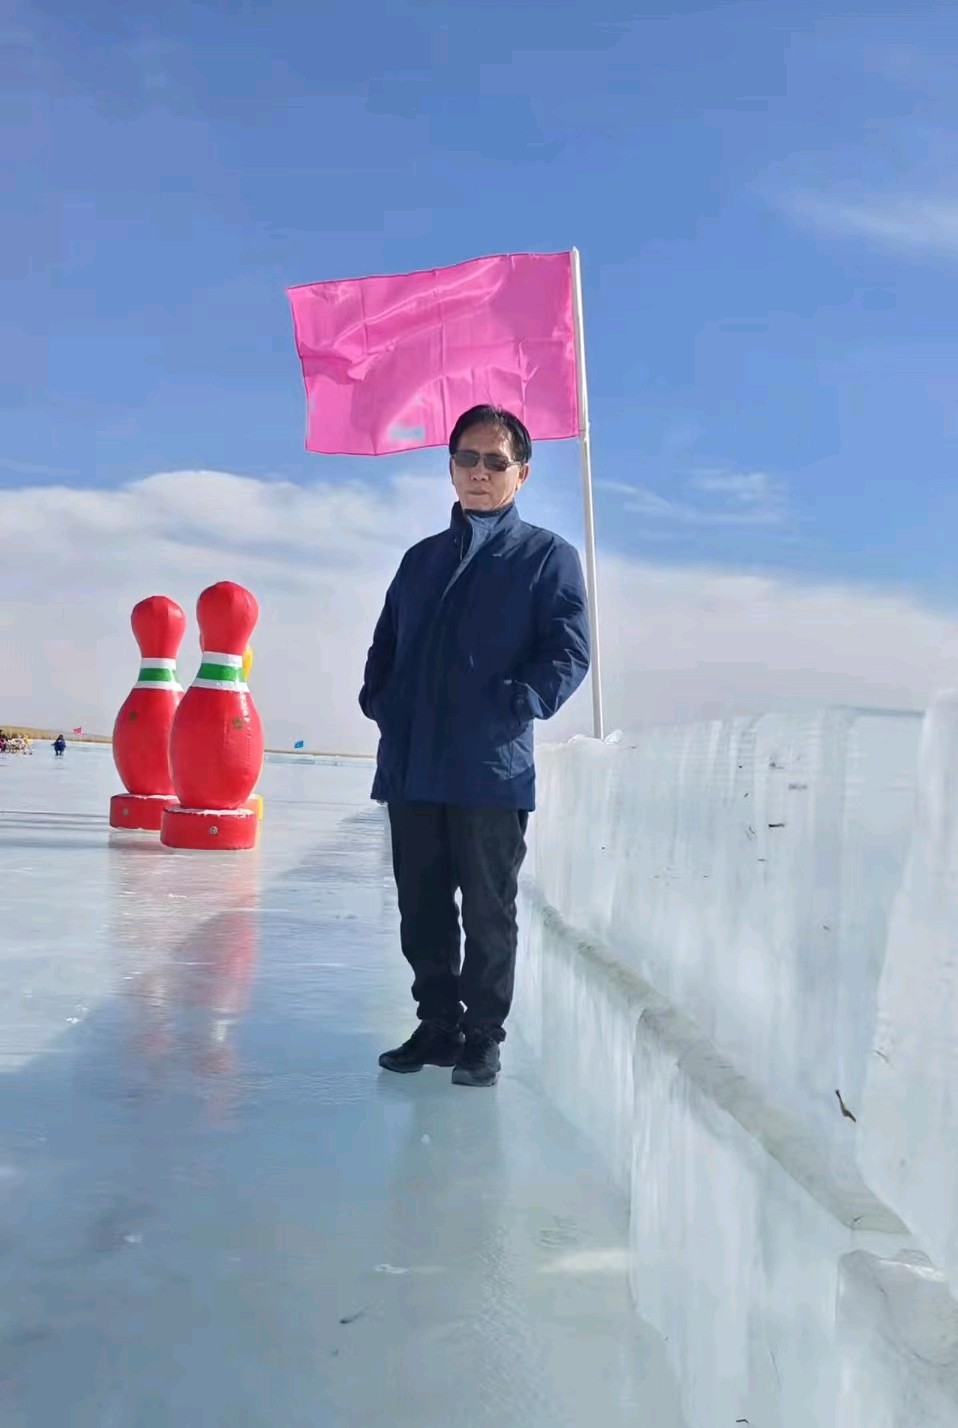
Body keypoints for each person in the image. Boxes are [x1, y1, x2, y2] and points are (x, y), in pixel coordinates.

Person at [359, 404, 591, 1087]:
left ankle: (483, 1034)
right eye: (467, 458)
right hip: (413, 763)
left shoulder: (546, 556)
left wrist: (520, 702)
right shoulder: (422, 559)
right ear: (451, 466)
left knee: (489, 911)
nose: (479, 472)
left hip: (490, 767)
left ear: (522, 473)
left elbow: (568, 650)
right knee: (421, 906)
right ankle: (437, 1025)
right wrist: (381, 702)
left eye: (495, 461)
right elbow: (385, 645)